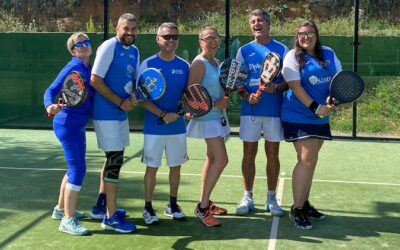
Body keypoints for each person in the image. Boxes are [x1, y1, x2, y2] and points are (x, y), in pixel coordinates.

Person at [281, 20, 342, 229]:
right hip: (297, 115)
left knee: (310, 161)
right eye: (301, 34)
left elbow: (338, 82)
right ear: (297, 37)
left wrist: (332, 102)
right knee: (307, 159)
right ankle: (296, 208)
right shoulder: (292, 56)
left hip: (321, 117)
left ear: (316, 34)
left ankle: (304, 203)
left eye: (309, 33)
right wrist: (316, 107)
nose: (305, 37)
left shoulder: (329, 53)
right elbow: (295, 87)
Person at [235, 9, 288, 216]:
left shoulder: (282, 50)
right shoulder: (244, 50)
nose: (257, 24)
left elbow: (289, 82)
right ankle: (247, 196)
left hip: (274, 111)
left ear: (268, 24)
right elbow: (237, 81)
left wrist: (276, 88)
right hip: (250, 111)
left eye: (260, 21)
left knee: (272, 154)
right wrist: (247, 95)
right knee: (249, 153)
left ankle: (271, 198)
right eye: (253, 21)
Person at [89, 13, 139, 233]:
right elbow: (95, 79)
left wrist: (134, 97)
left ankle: (101, 206)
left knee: (112, 158)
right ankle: (110, 217)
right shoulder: (108, 46)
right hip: (106, 113)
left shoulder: (135, 51)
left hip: (121, 113)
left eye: (133, 29)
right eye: (126, 28)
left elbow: (134, 81)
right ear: (117, 28)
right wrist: (120, 101)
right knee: (115, 161)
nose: (129, 33)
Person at [138, 22, 189, 225]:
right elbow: (142, 98)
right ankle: (148, 208)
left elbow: (188, 95)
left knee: (175, 167)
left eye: (174, 37)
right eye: (166, 37)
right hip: (154, 127)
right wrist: (162, 113)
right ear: (157, 39)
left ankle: (173, 205)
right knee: (152, 168)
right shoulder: (147, 64)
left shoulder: (185, 66)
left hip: (177, 127)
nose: (170, 40)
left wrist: (186, 111)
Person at [44, 32, 93, 235]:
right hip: (67, 124)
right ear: (73, 50)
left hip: (77, 124)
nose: (84, 45)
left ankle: (60, 209)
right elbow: (50, 90)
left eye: (86, 41)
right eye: (78, 44)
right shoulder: (73, 66)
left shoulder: (87, 67)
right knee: (78, 169)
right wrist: (49, 105)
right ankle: (67, 220)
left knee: (73, 167)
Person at [186, 25, 230, 227]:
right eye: (207, 38)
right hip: (206, 118)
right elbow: (190, 96)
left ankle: (207, 201)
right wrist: (215, 103)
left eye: (215, 37)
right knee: (221, 160)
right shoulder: (199, 64)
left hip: (217, 116)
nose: (212, 41)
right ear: (200, 42)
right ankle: (202, 208)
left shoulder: (217, 63)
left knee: (212, 158)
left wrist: (224, 99)